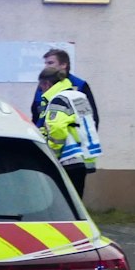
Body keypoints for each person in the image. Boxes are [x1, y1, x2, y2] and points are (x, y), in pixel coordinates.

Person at [35, 66, 101, 196]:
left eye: (40, 87)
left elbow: (57, 129)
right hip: (84, 158)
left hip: (67, 158)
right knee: (76, 202)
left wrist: (52, 153)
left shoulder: (58, 99)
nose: (41, 90)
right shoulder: (79, 97)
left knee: (64, 202)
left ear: (47, 84)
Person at [30, 48, 98, 126]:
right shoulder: (43, 85)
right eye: (45, 63)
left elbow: (90, 119)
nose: (46, 67)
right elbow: (35, 114)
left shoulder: (79, 86)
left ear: (63, 65)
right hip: (44, 135)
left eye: (50, 63)